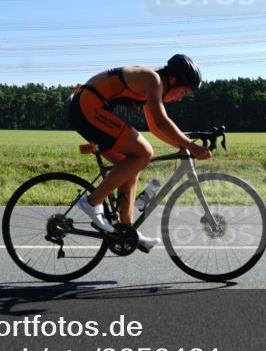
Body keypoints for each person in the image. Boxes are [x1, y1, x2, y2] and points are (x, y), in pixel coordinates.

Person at [67, 54, 209, 251]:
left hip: (85, 108)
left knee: (130, 165)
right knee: (143, 152)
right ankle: (92, 202)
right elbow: (161, 121)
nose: (179, 98)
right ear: (173, 80)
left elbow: (156, 128)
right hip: (87, 106)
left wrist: (182, 145)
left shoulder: (152, 86)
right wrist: (190, 145)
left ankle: (125, 231)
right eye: (182, 92)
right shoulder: (153, 79)